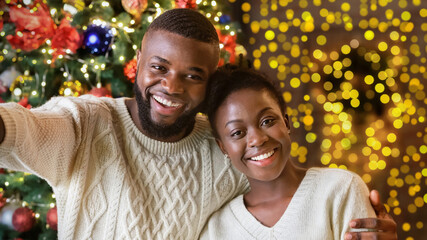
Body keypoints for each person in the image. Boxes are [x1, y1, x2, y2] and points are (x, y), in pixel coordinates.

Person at [0, 9, 396, 240]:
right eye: (159, 67)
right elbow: (22, 131)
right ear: (137, 62)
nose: (170, 87)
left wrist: (376, 224)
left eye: (192, 75)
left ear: (209, 80)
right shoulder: (84, 124)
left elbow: (285, 182)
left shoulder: (221, 146)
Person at [200, 66, 396, 240]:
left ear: (286, 123)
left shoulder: (340, 190)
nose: (257, 139)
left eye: (267, 121)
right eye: (237, 133)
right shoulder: (217, 229)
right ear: (223, 147)